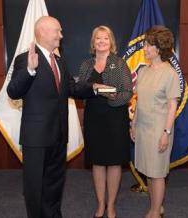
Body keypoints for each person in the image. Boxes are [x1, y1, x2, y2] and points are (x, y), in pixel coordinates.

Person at [7, 16, 83, 218]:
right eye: (57, 31)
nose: (61, 35)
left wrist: (95, 88)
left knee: (55, 183)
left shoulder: (60, 60)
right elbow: (13, 91)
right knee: (35, 187)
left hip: (59, 134)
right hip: (37, 137)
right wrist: (30, 70)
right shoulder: (25, 59)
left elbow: (72, 88)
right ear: (42, 31)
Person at [75, 25, 132, 218]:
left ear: (111, 42)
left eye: (105, 38)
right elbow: (79, 90)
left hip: (115, 119)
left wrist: (108, 93)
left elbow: (127, 93)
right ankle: (100, 204)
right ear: (93, 42)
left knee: (114, 163)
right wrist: (92, 88)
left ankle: (111, 206)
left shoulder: (120, 63)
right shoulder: (85, 65)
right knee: (97, 163)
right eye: (98, 38)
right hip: (94, 119)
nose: (101, 41)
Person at [131, 26, 181, 218]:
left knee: (157, 172)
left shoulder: (170, 74)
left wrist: (166, 133)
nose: (144, 48)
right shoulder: (143, 71)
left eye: (148, 44)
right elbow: (139, 101)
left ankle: (154, 213)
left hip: (160, 129)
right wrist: (133, 123)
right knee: (148, 170)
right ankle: (156, 206)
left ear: (158, 48)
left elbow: (171, 107)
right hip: (143, 127)